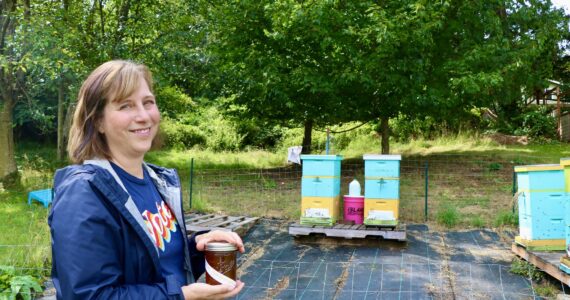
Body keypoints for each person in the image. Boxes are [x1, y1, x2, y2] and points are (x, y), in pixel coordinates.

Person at [48, 60, 245, 299]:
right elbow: (90, 295)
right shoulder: (84, 192)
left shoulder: (157, 181)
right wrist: (180, 296)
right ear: (97, 121)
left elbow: (157, 268)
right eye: (125, 106)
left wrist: (197, 248)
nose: (143, 116)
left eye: (148, 102)